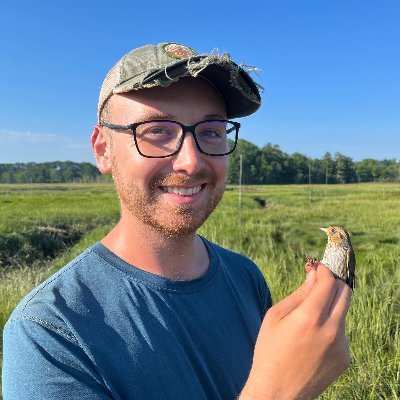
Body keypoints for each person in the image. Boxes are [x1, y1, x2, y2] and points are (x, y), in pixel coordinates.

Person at [2, 42, 351, 399]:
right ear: (103, 149)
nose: (191, 161)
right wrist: (279, 392)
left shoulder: (245, 277)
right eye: (156, 130)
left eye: (211, 131)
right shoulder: (51, 333)